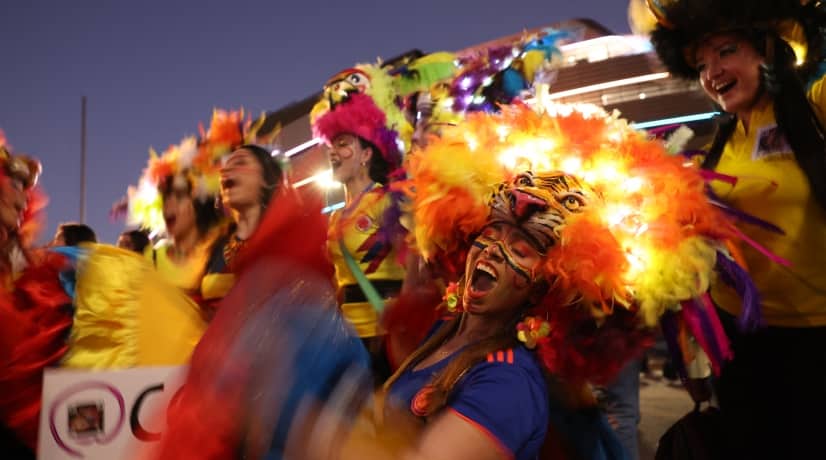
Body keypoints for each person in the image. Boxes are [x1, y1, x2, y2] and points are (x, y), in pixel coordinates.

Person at [646, 0, 826, 457]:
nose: (712, 72)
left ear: (768, 49)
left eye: (726, 51)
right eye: (701, 64)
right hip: (739, 342)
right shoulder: (722, 141)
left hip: (815, 338)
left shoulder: (814, 108)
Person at [310, 63, 412, 382]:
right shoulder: (336, 217)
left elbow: (416, 268)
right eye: (332, 145)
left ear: (366, 154)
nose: (333, 153)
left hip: (389, 341)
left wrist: (400, 328)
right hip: (349, 343)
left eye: (343, 144)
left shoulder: (389, 201)